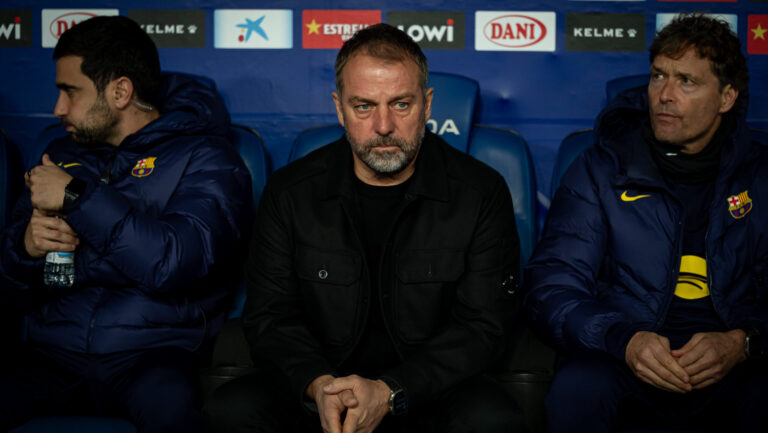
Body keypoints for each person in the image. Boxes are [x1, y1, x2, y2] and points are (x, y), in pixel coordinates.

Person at [206, 23, 525, 433]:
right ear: (339, 109)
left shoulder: (481, 192)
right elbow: (270, 316)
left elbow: (483, 328)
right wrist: (319, 385)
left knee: (491, 420)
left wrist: (391, 391)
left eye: (401, 104)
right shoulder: (290, 192)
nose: (384, 125)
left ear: (428, 105)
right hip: (322, 391)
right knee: (233, 409)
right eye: (363, 107)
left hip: (430, 392)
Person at [0, 16, 252, 433]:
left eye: (70, 91)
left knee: (175, 414)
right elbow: (9, 286)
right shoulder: (60, 153)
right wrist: (26, 248)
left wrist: (77, 200)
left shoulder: (206, 157)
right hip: (52, 352)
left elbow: (171, 262)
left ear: (120, 91)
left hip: (152, 354)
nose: (58, 108)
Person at [524, 14, 767, 433]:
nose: (664, 95)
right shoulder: (601, 168)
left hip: (733, 361)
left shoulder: (760, 175)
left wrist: (744, 342)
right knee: (576, 390)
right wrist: (623, 339)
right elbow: (552, 286)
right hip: (623, 354)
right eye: (658, 76)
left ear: (726, 97)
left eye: (686, 81)